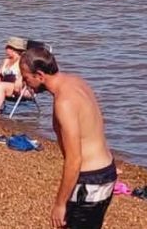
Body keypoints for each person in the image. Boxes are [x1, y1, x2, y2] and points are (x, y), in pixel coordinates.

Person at [19, 46, 115, 229]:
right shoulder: (76, 81)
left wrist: (60, 204)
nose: (25, 83)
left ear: (40, 75)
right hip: (106, 171)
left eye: (26, 78)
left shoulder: (64, 102)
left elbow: (74, 159)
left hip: (90, 181)